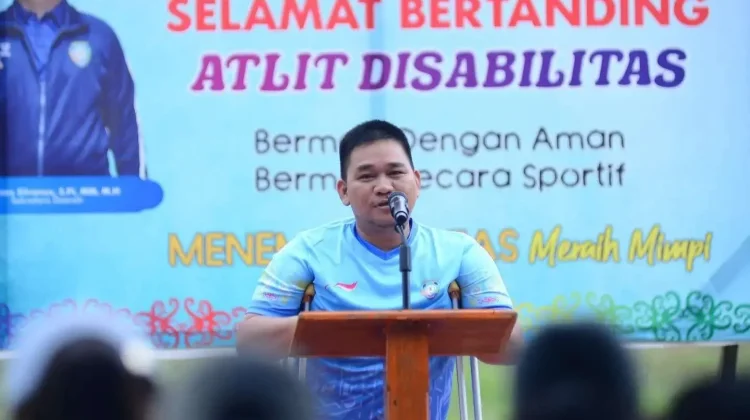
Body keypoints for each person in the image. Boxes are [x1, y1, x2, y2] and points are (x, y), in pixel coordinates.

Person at [237, 119, 523, 420]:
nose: (384, 187)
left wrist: (448, 330)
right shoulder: (308, 251)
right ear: (343, 191)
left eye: (396, 173)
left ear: (417, 182)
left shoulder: (460, 252)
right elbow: (250, 341)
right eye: (367, 176)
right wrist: (327, 331)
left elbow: (512, 345)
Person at [0, 0, 145, 177]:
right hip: (9, 191)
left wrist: (135, 187)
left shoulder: (99, 37)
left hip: (87, 190)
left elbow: (125, 125)